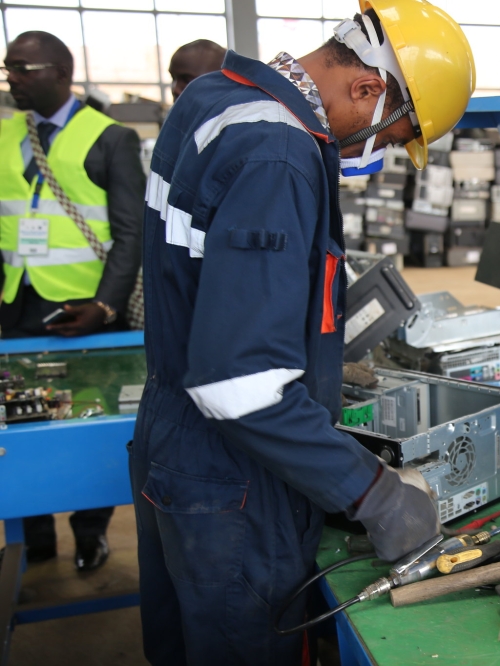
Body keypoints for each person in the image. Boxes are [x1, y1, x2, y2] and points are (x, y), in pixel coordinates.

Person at [131, 0, 474, 663]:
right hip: (231, 478)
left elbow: (202, 281)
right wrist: (375, 496)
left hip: (173, 442)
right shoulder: (278, 154)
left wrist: (312, 353)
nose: (379, 151)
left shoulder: (216, 95)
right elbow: (237, 387)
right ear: (368, 88)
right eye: (394, 134)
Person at [0, 31, 144, 571]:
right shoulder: (5, 134)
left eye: (24, 68)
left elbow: (132, 234)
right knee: (18, 417)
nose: (11, 77)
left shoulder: (109, 138)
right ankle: (34, 534)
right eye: (9, 67)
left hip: (82, 311)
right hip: (15, 304)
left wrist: (105, 306)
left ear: (61, 72)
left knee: (84, 417)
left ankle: (90, 532)